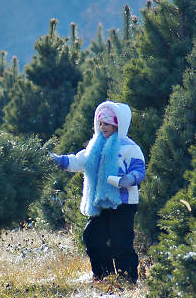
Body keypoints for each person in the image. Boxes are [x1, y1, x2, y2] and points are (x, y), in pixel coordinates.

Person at [52, 101, 146, 284]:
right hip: (101, 201)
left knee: (121, 242)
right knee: (92, 237)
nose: (102, 127)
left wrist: (130, 179)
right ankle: (104, 277)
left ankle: (127, 280)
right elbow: (79, 161)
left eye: (108, 124)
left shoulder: (130, 147)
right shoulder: (95, 145)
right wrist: (59, 161)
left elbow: (139, 170)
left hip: (123, 202)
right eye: (100, 123)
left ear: (119, 125)